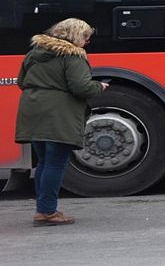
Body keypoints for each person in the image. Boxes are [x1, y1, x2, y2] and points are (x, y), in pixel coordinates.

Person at [15, 18, 108, 226]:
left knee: (44, 162)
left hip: (32, 109)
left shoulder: (34, 53)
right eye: (85, 37)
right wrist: (99, 87)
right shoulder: (73, 55)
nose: (87, 42)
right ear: (75, 36)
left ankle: (43, 208)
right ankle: (47, 212)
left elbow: (21, 82)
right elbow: (81, 87)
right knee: (56, 162)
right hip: (58, 114)